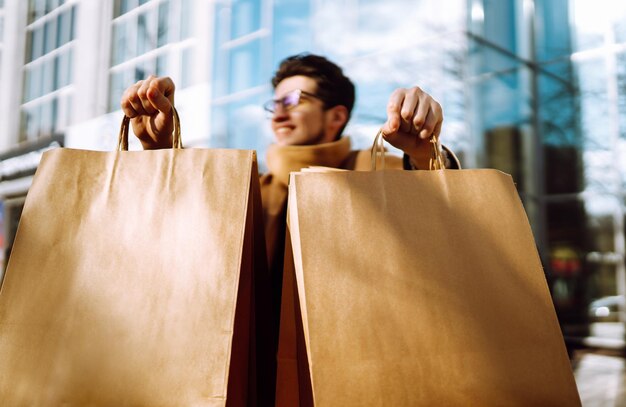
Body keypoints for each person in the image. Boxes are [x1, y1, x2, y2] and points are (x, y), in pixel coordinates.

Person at [121, 53, 459, 405]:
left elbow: (444, 222)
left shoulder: (376, 174)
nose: (279, 113)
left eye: (294, 100)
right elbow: (178, 245)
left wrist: (424, 155)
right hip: (246, 385)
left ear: (336, 116)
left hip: (358, 382)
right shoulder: (251, 188)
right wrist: (158, 150)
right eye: (275, 104)